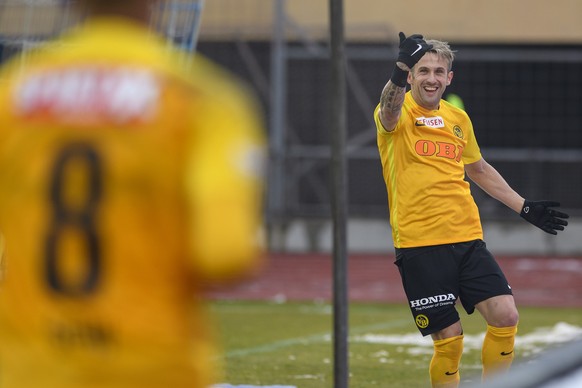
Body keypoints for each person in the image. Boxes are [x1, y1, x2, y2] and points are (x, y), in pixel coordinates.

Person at [0, 1, 266, 387]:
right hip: (152, 366)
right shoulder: (202, 99)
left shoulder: (12, 94)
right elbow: (225, 254)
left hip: (30, 367)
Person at [374, 32, 569, 387]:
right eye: (423, 71)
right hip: (420, 244)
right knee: (449, 341)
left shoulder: (458, 118)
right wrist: (399, 69)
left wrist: (524, 208)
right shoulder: (398, 112)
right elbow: (388, 111)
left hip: (467, 238)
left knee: (506, 315)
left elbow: (478, 169)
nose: (431, 78)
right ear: (413, 76)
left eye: (438, 71)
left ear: (449, 77)